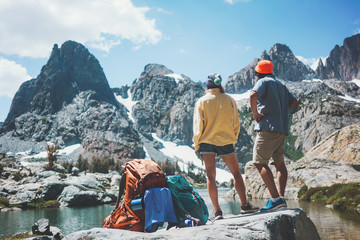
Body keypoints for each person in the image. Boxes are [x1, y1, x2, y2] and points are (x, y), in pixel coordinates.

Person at [193, 73, 259, 220]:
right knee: (236, 173)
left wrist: (197, 145)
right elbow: (236, 122)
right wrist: (233, 138)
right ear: (219, 84)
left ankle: (217, 212)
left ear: (208, 85)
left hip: (206, 141)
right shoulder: (229, 99)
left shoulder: (202, 101)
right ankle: (244, 205)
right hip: (225, 141)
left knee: (210, 176)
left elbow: (198, 126)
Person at [249, 60, 299, 212]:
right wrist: (281, 110)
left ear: (259, 73)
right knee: (279, 164)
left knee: (259, 162)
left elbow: (252, 95)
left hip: (268, 128)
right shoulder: (280, 85)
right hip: (281, 129)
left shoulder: (263, 82)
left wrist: (255, 114)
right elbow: (295, 102)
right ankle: (281, 198)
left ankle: (275, 199)